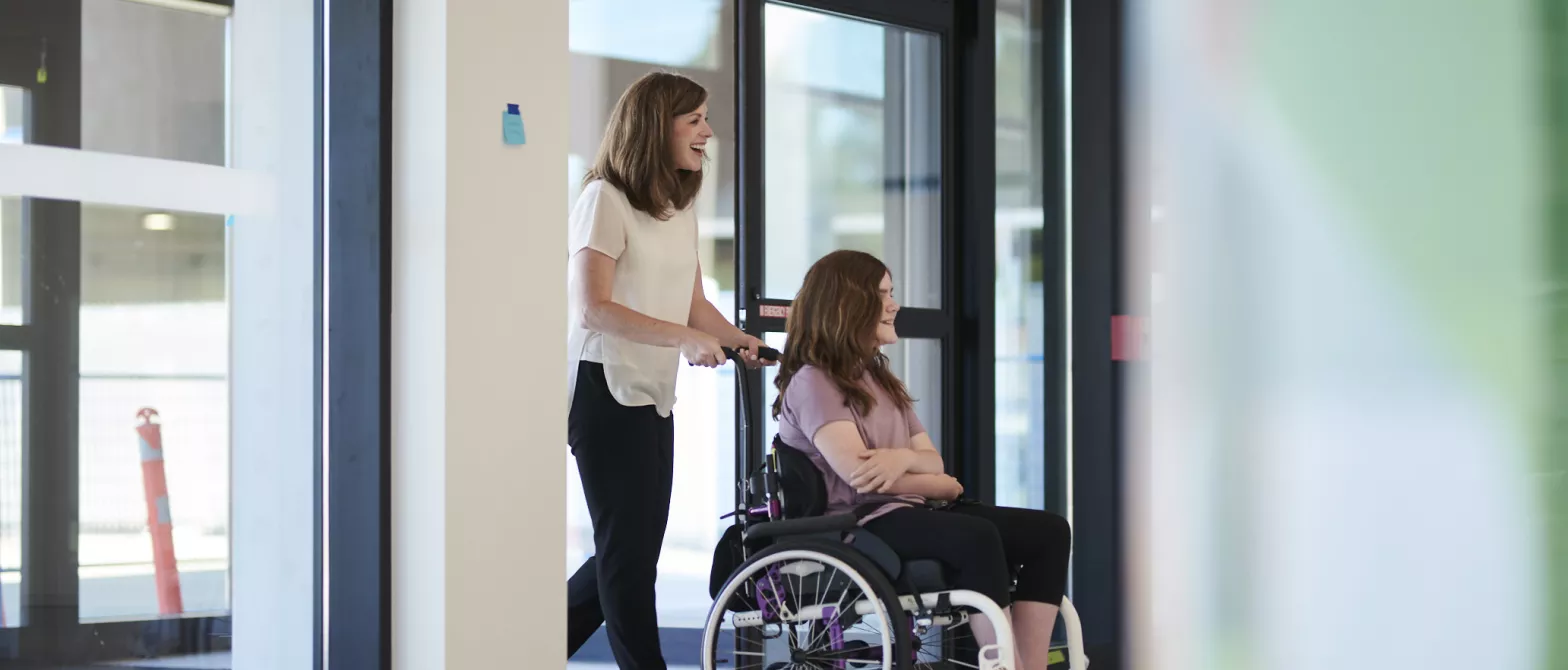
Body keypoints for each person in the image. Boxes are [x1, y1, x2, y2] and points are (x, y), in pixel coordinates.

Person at [772, 249, 1072, 670]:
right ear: (846, 303)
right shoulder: (813, 382)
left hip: (908, 510)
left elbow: (931, 460)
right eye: (882, 294)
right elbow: (864, 477)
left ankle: (1031, 664)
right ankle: (1009, 666)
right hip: (859, 525)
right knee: (977, 536)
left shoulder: (879, 378)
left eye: (892, 292)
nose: (894, 304)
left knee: (1050, 532)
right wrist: (939, 484)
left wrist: (899, 460)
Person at [565, 71, 772, 669]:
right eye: (695, 119)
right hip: (604, 391)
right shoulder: (603, 198)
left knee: (628, 553)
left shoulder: (677, 208)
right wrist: (684, 338)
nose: (708, 131)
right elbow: (593, 307)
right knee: (627, 560)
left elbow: (693, 302)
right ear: (657, 127)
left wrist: (738, 342)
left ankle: (526, 643)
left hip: (653, 393)